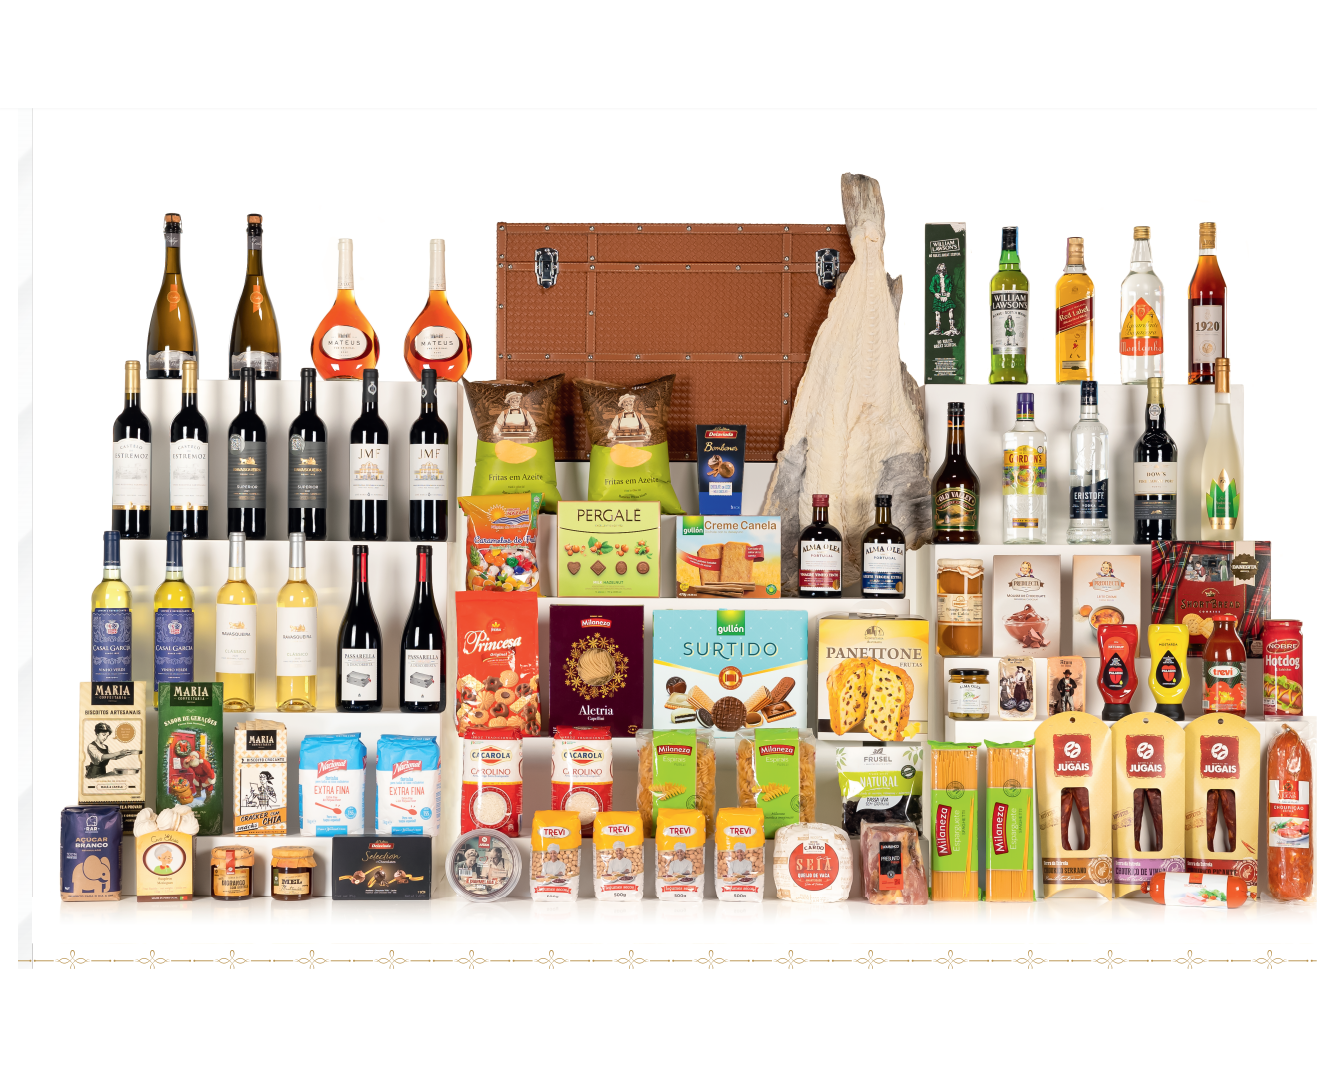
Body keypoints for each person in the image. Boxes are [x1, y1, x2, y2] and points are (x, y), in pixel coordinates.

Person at [928, 262, 959, 336]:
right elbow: (931, 287)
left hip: (946, 295)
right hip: (938, 296)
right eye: (941, 267)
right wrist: (935, 293)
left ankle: (952, 327)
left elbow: (951, 285)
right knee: (937, 312)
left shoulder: (948, 277)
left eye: (944, 267)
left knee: (951, 309)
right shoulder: (935, 277)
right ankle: (937, 328)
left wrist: (949, 292)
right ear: (938, 268)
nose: (943, 269)